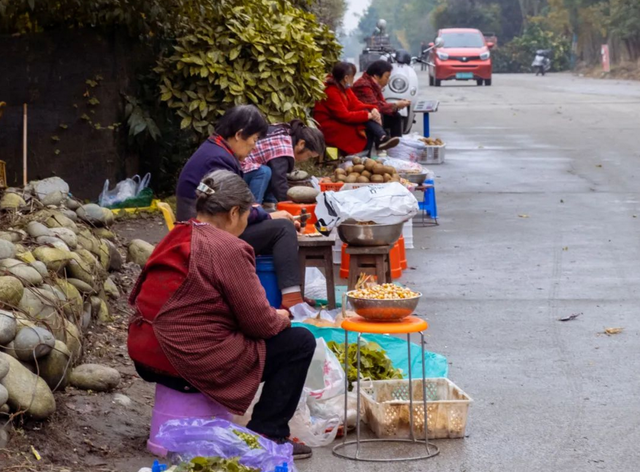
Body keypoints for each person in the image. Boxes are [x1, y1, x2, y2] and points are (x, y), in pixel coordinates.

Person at [129, 170, 316, 460]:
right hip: (184, 361)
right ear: (233, 213)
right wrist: (282, 316)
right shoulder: (228, 247)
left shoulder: (176, 234)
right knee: (300, 342)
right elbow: (259, 323)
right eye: (246, 215)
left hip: (145, 353)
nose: (245, 223)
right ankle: (268, 433)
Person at [176, 105, 308, 309]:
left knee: (279, 224)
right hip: (205, 234)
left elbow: (239, 201)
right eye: (254, 140)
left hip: (207, 226)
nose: (254, 147)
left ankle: (288, 295)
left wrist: (267, 214)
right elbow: (231, 207)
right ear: (239, 135)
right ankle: (292, 301)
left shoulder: (217, 151)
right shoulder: (218, 159)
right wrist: (269, 217)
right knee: (283, 229)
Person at [313, 61, 399, 156]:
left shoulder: (344, 87)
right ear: (346, 78)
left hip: (339, 120)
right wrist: (369, 115)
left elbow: (356, 104)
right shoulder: (331, 91)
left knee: (367, 114)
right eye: (352, 77)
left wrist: (373, 109)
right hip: (330, 126)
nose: (353, 80)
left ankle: (379, 141)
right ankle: (375, 145)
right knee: (364, 125)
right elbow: (344, 116)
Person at [242, 120, 325, 204]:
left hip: (246, 170)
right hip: (239, 171)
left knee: (271, 173)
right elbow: (279, 182)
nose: (306, 159)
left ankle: (270, 204)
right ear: (301, 144)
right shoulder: (282, 148)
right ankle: (253, 208)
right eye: (308, 156)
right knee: (264, 172)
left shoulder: (285, 132)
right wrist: (290, 203)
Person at [352, 60, 411, 138]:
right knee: (379, 115)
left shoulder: (374, 85)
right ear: (376, 76)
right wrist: (396, 105)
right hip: (363, 117)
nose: (388, 80)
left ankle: (397, 145)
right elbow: (376, 106)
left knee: (395, 116)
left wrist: (397, 106)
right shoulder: (363, 85)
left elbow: (382, 103)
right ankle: (381, 142)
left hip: (371, 113)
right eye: (387, 76)